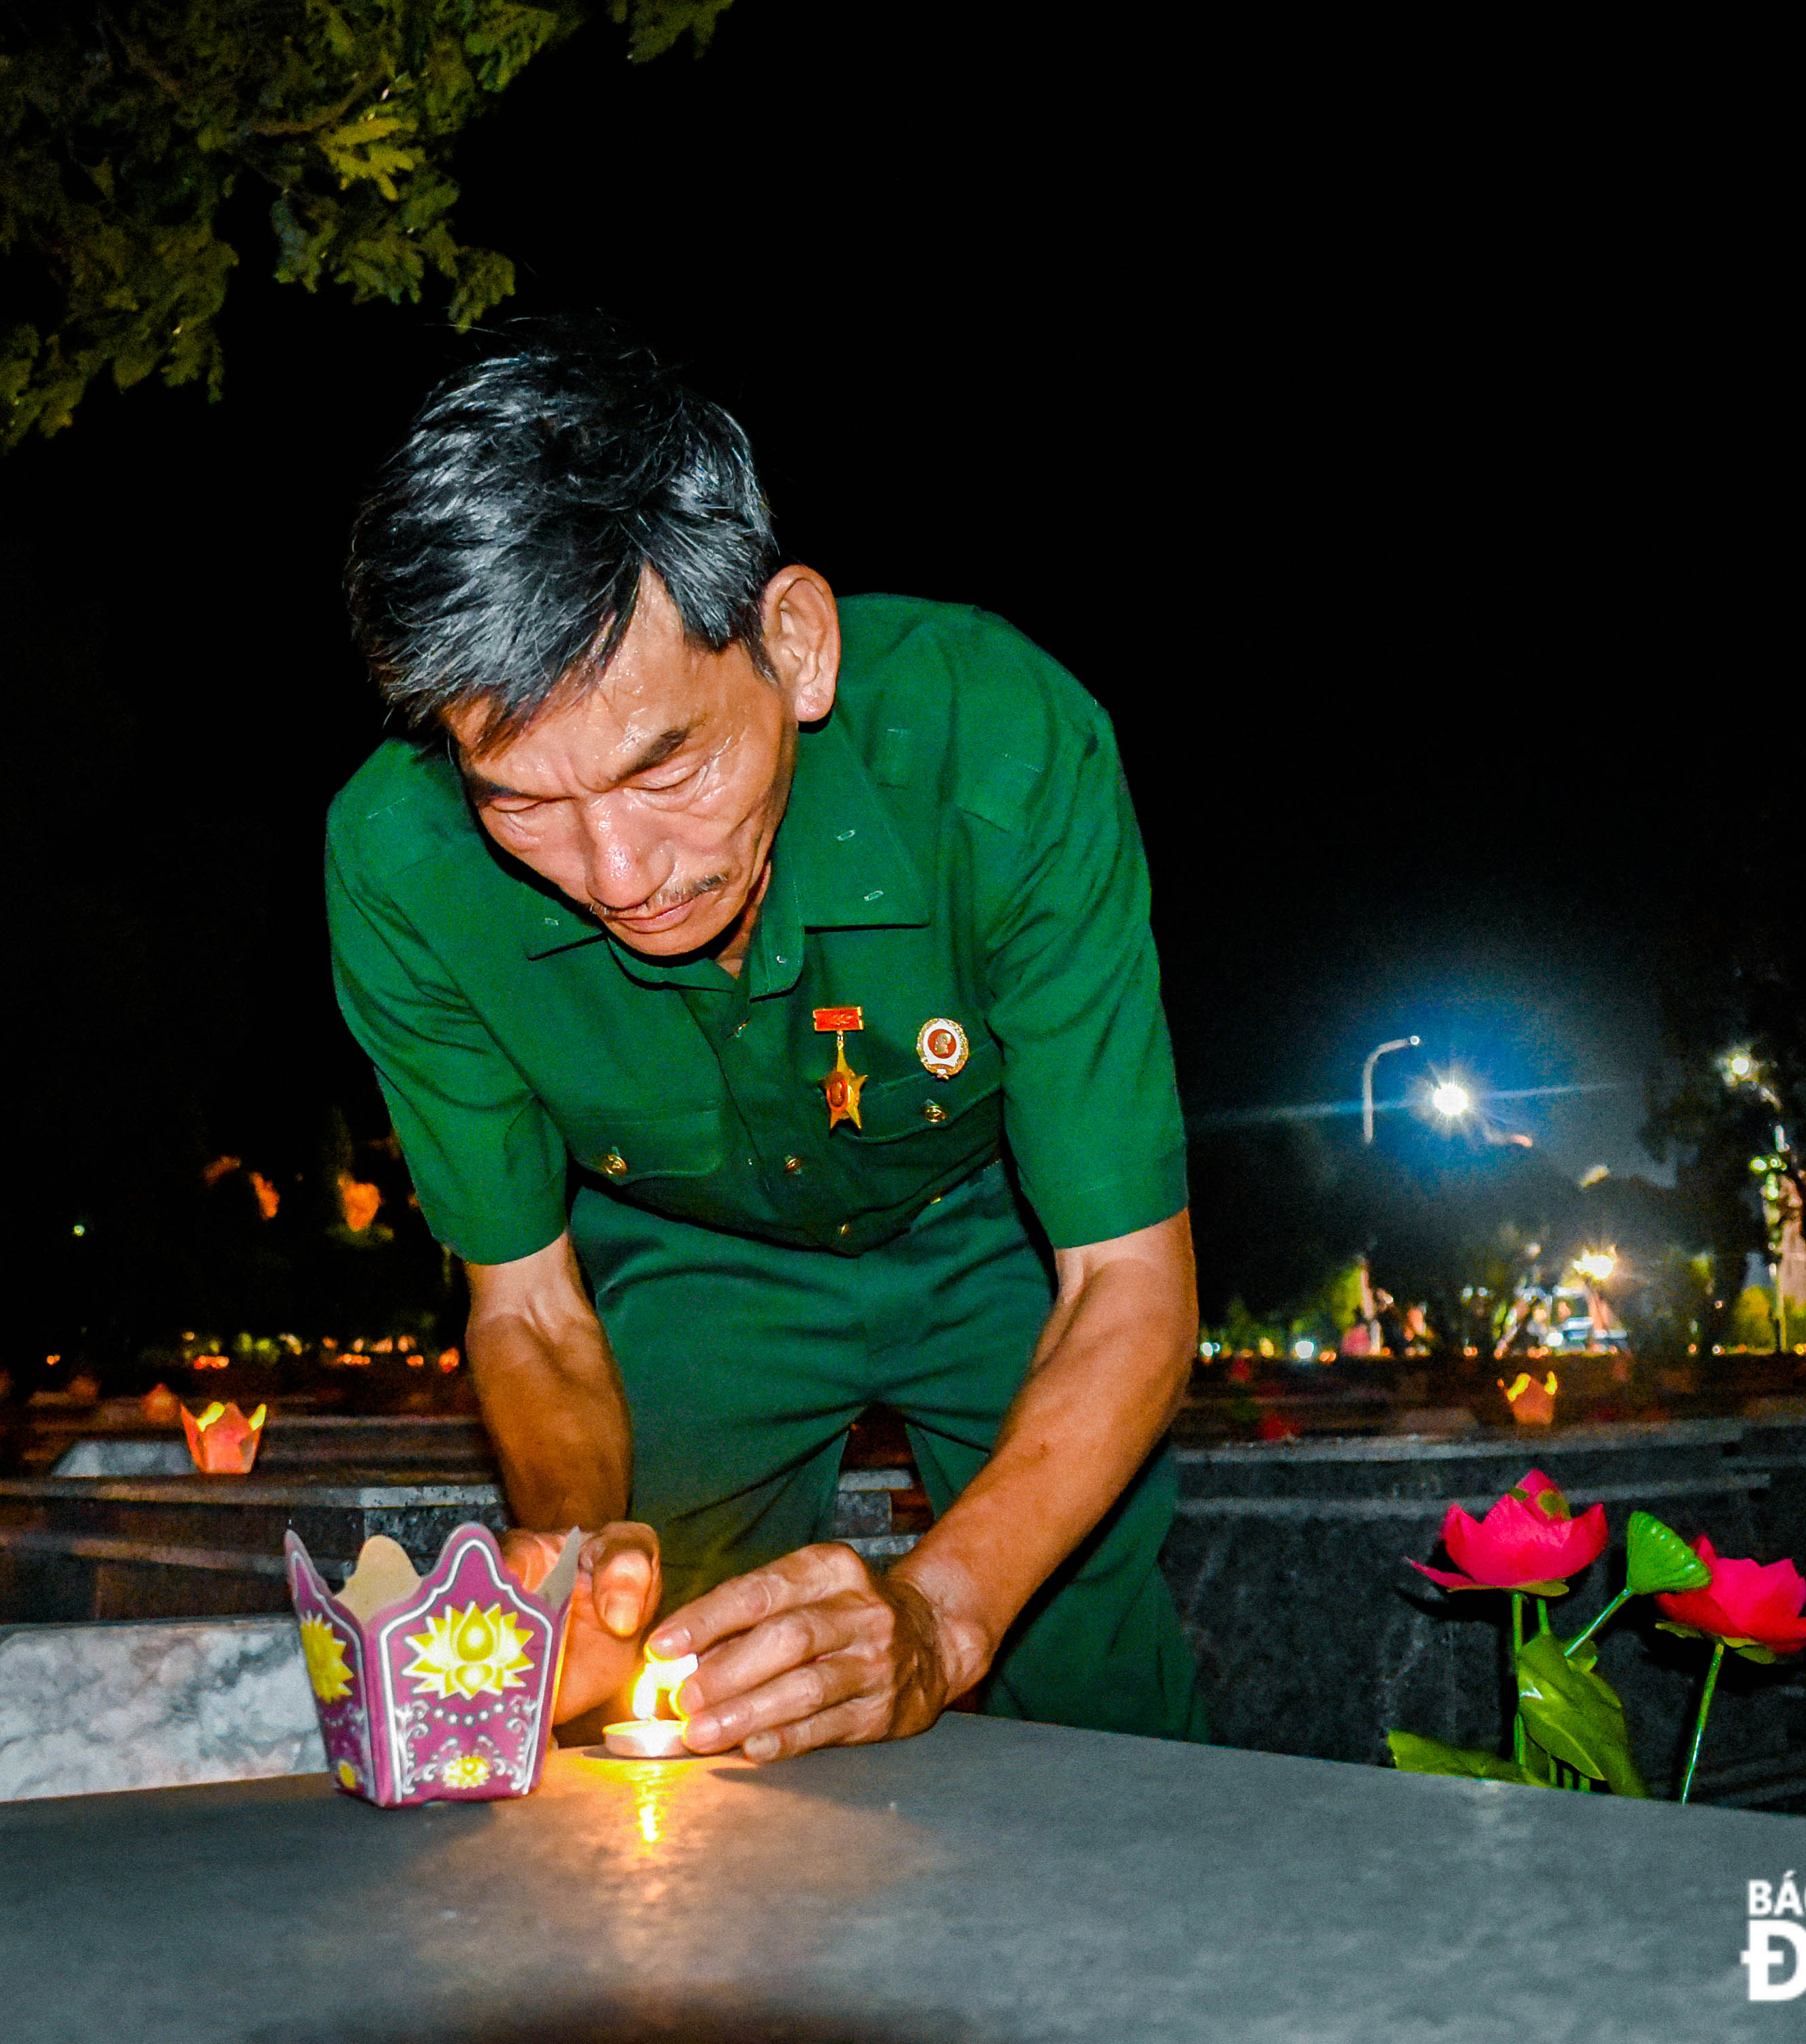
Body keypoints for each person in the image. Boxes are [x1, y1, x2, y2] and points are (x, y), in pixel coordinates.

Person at [325, 326, 1206, 1761]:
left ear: (794, 646)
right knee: (677, 1669)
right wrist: (576, 1540)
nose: (617, 872)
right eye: (521, 802)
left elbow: (1127, 1284)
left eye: (663, 765)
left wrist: (944, 1615)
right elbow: (532, 1312)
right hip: (688, 1256)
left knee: (1074, 1630)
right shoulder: (396, 864)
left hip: (993, 1230)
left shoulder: (1001, 740)